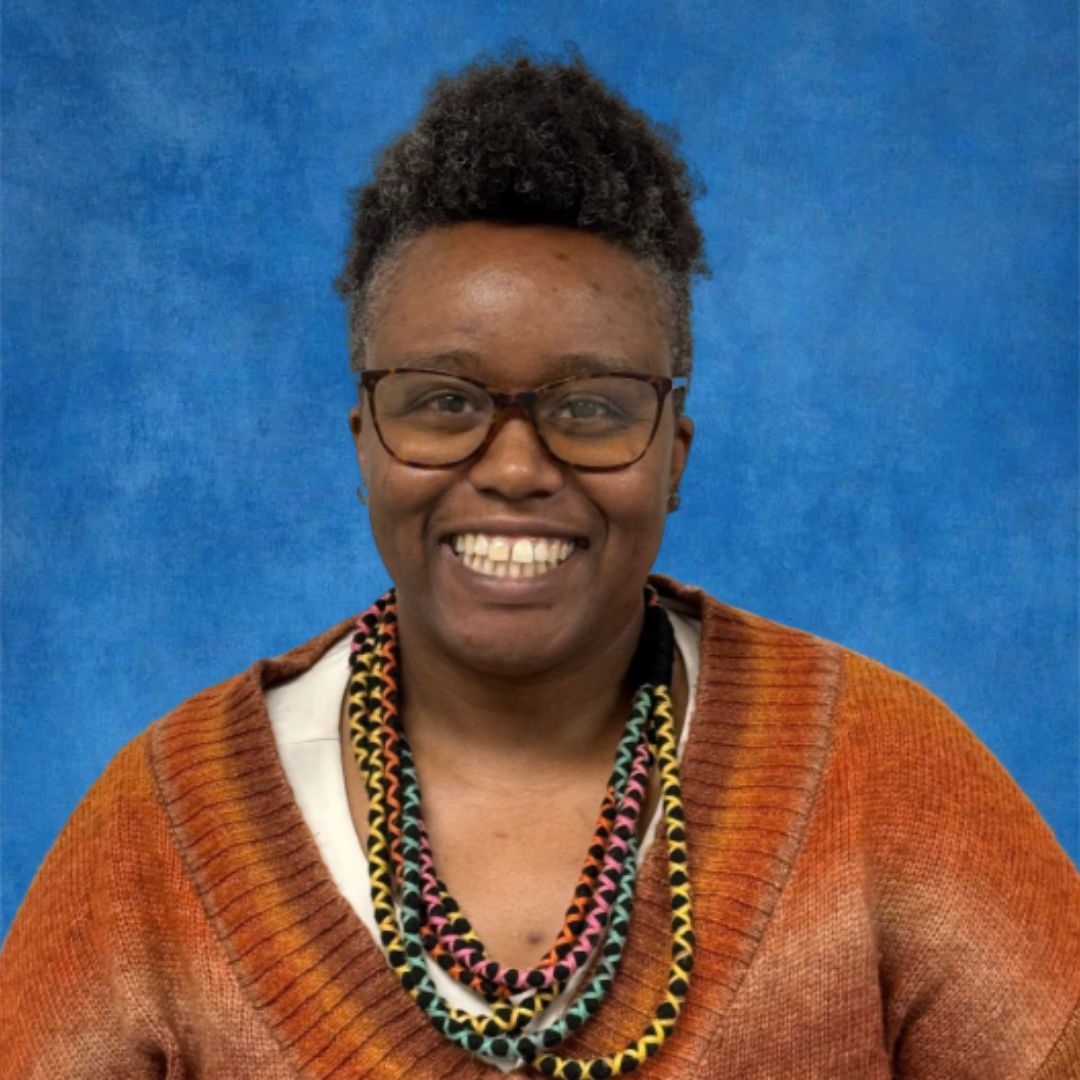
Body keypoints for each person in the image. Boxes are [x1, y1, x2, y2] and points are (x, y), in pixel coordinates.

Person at [1, 50, 1077, 1080]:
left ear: (673, 458)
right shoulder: (164, 838)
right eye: (443, 402)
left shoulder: (887, 783)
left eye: (592, 408)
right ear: (365, 445)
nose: (515, 466)